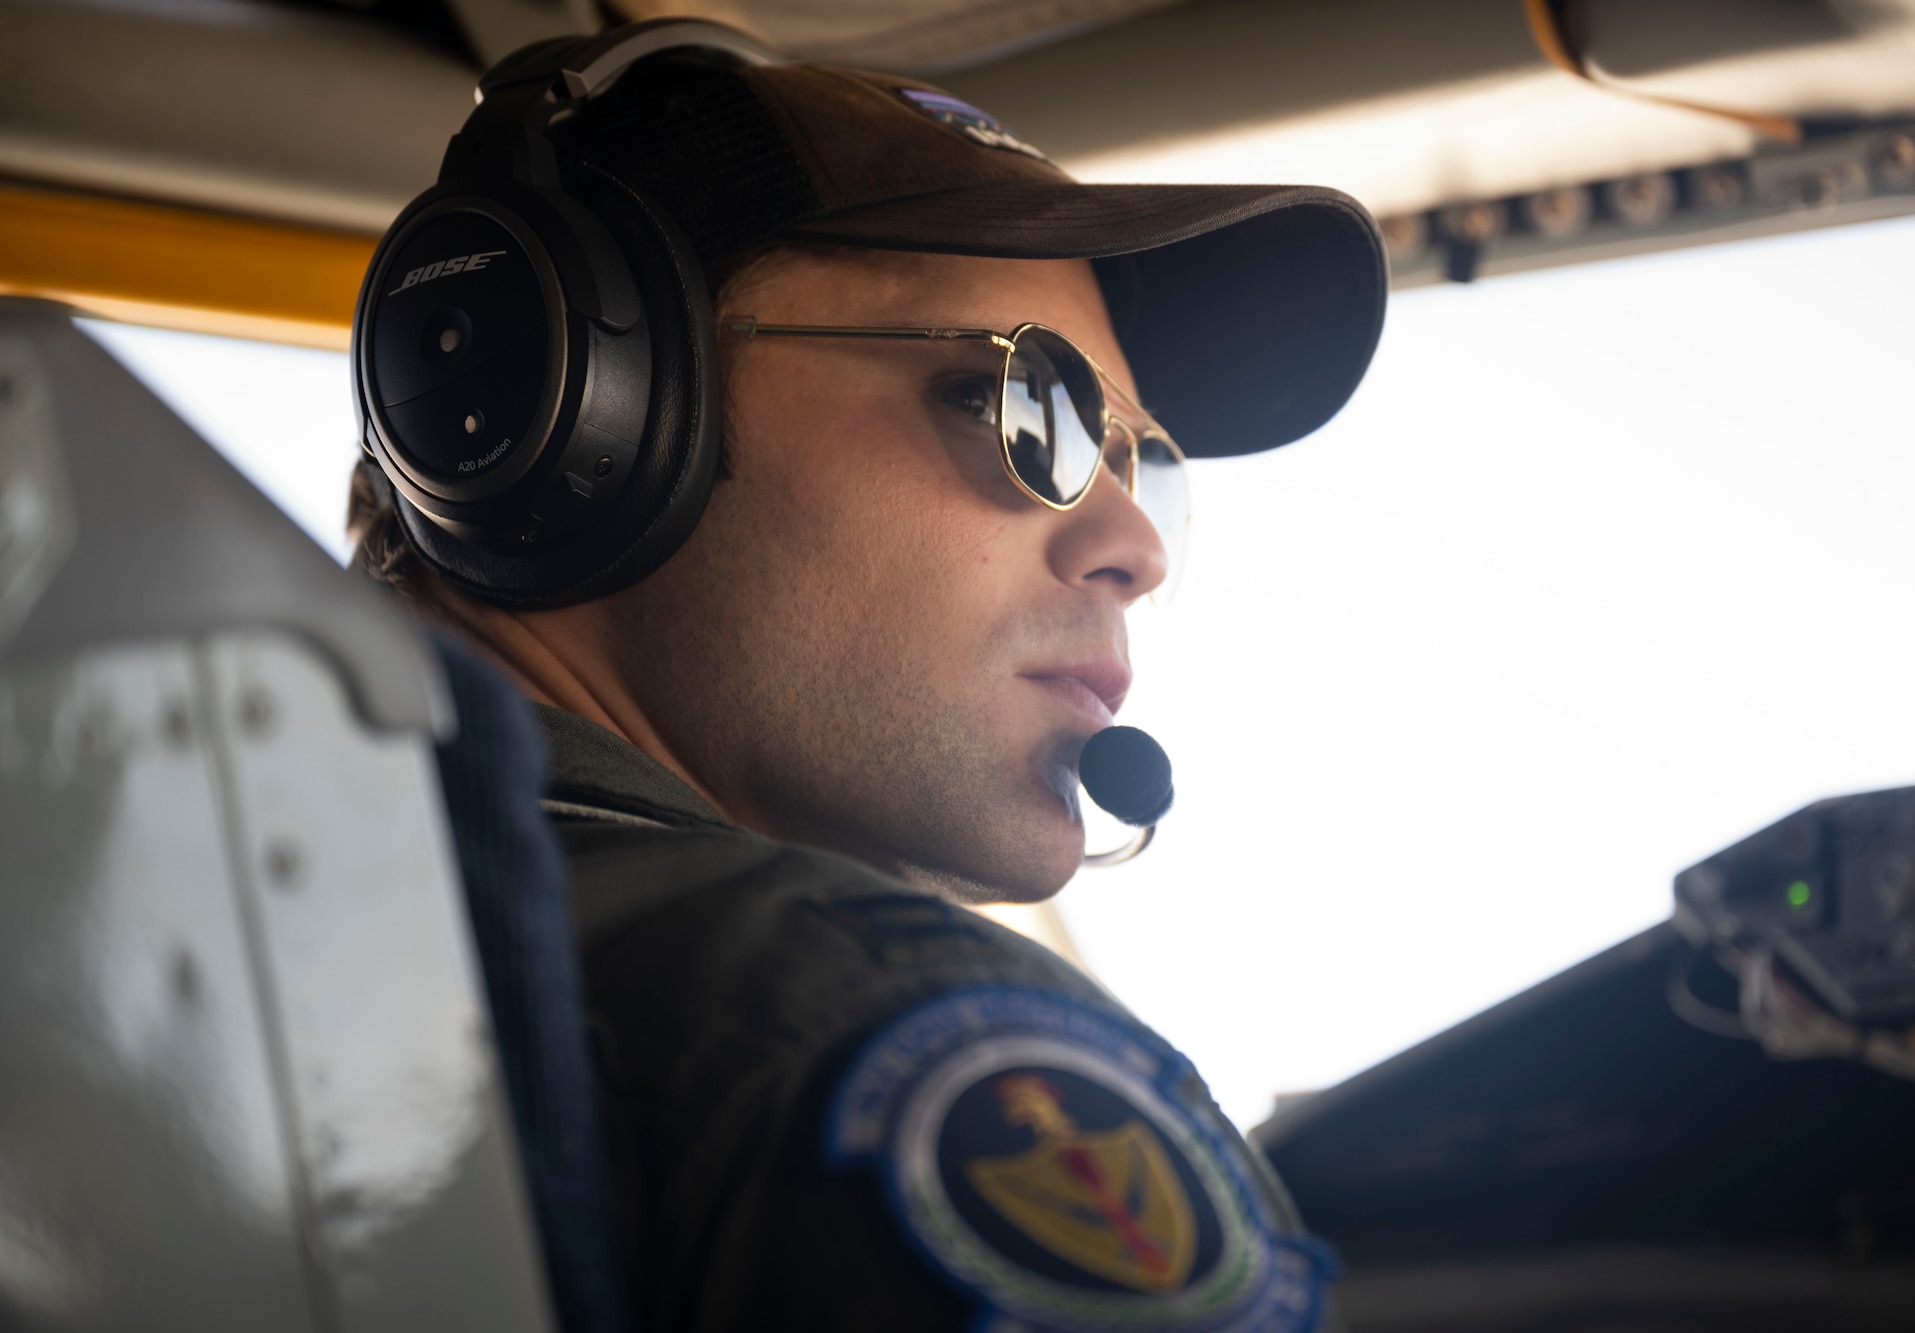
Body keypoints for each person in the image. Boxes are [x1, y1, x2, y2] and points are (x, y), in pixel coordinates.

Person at [348, 21, 1385, 1332]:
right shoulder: (902, 1037)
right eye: (1014, 401)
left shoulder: (271, 895)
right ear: (591, 404)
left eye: (1142, 462)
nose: (1131, 547)